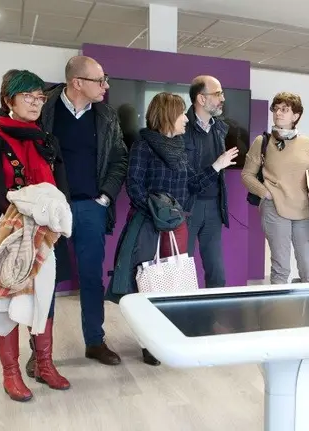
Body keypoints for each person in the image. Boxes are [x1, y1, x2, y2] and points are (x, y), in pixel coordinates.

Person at [113, 92, 237, 365]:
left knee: (171, 283)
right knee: (147, 284)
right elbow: (134, 187)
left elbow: (192, 184)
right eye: (182, 114)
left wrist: (217, 166)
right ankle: (148, 343)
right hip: (150, 225)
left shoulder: (180, 146)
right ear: (168, 115)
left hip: (177, 225)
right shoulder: (143, 146)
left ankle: (167, 336)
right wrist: (159, 212)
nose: (186, 119)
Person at [0, 69, 71, 401]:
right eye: (27, 96)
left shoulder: (47, 139)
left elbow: (61, 186)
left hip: (46, 233)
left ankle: (44, 364)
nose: (35, 103)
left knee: (43, 297)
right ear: (8, 100)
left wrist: (59, 219)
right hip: (7, 230)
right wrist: (22, 219)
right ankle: (11, 373)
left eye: (40, 97)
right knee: (8, 301)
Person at [36, 55, 129, 368]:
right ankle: (41, 352)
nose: (106, 86)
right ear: (77, 82)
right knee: (43, 279)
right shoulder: (44, 109)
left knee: (92, 278)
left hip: (90, 208)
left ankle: (95, 341)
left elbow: (119, 159)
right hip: (49, 209)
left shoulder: (106, 116)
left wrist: (105, 197)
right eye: (99, 80)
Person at [241, 92, 309, 284]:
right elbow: (247, 175)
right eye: (276, 109)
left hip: (302, 210)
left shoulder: (306, 143)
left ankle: (308, 312)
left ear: (296, 116)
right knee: (281, 268)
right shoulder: (262, 142)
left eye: (285, 110)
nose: (278, 113)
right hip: (274, 208)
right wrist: (265, 193)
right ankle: (278, 312)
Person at [183, 75, 231, 288]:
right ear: (201, 99)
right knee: (182, 270)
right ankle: (182, 320)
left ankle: (213, 320)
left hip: (213, 206)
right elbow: (187, 180)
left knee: (217, 273)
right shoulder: (181, 129)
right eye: (218, 93)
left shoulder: (221, 128)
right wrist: (217, 166)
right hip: (187, 207)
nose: (223, 98)